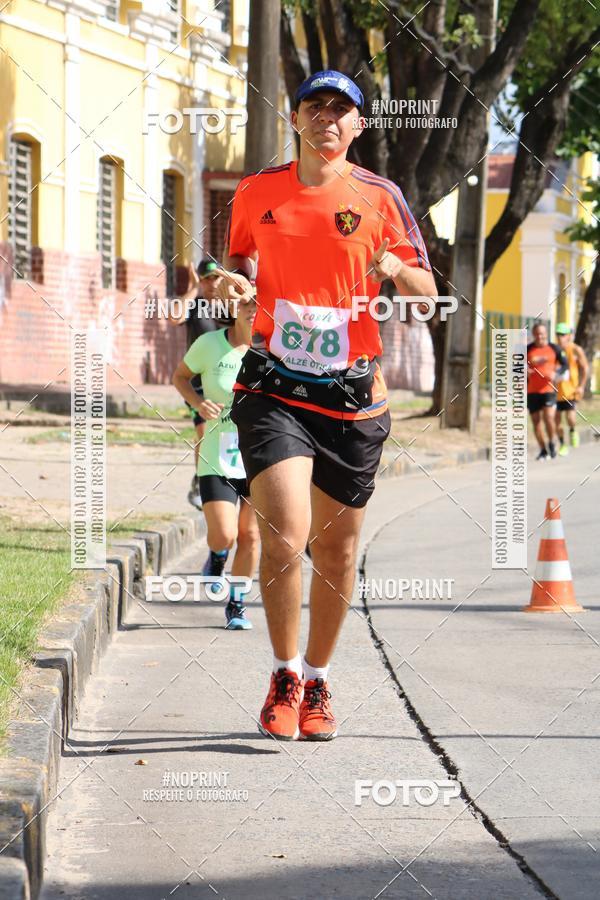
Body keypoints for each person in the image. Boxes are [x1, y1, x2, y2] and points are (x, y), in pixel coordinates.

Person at [218, 70, 436, 740]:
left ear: (359, 125)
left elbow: (428, 293)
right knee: (284, 533)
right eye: (315, 106)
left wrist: (396, 269)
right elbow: (237, 266)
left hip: (351, 394)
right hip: (274, 386)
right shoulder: (257, 191)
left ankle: (318, 680)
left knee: (336, 553)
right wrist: (234, 289)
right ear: (296, 118)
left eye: (342, 110)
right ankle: (283, 674)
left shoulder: (381, 196)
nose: (327, 118)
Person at [172, 285, 259, 630]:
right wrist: (197, 403)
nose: (253, 308)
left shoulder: (275, 351)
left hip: (261, 457)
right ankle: (217, 556)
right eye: (247, 302)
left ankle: (236, 606)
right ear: (234, 307)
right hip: (217, 456)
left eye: (260, 302)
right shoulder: (209, 344)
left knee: (251, 535)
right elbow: (180, 377)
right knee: (225, 534)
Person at [169, 259, 224, 509]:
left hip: (225, 381)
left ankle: (217, 477)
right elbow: (174, 316)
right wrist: (191, 288)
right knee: (203, 430)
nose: (212, 284)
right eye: (206, 279)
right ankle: (203, 483)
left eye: (216, 278)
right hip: (197, 384)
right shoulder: (195, 305)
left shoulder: (231, 307)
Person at [526, 322, 568, 460]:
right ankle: (543, 450)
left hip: (548, 389)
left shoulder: (554, 348)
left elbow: (565, 364)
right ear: (534, 334)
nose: (540, 336)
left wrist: (556, 374)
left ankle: (551, 442)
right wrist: (524, 371)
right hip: (532, 390)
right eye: (537, 334)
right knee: (536, 421)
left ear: (546, 334)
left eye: (542, 334)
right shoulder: (527, 349)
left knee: (549, 417)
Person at [555, 322, 589, 456]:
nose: (560, 337)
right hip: (555, 391)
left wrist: (581, 386)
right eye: (558, 334)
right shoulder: (554, 350)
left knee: (570, 418)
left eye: (563, 334)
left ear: (569, 336)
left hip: (570, 391)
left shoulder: (575, 349)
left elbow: (585, 368)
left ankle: (573, 431)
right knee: (556, 421)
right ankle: (562, 444)